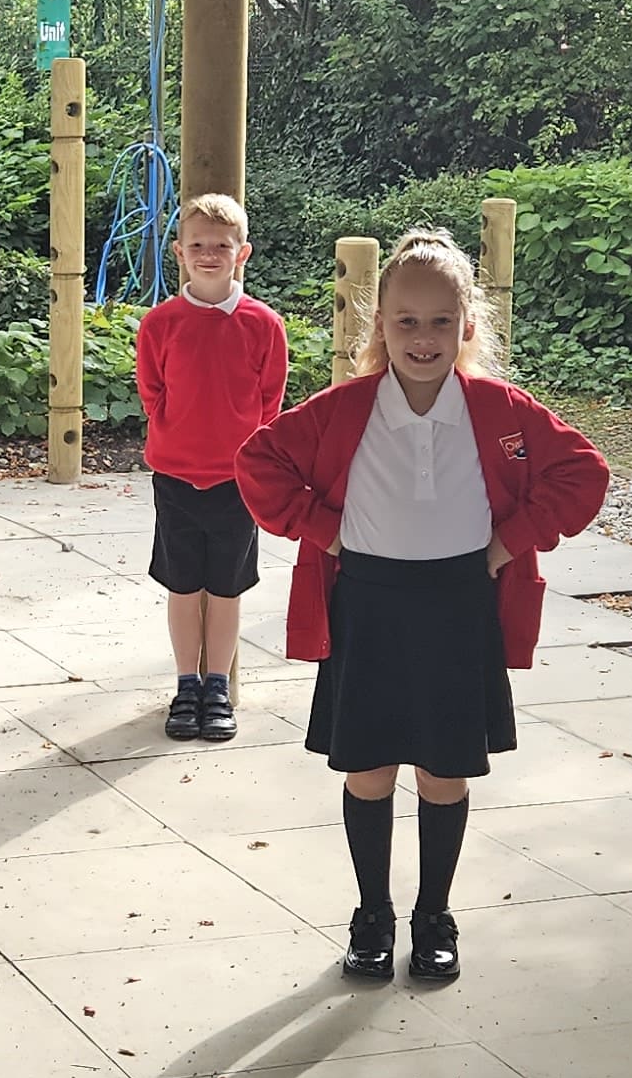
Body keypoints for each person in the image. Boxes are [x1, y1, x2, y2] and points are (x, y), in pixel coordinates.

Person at [238, 229, 609, 985]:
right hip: (368, 606)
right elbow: (259, 461)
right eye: (406, 320)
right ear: (378, 324)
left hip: (457, 608)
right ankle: (371, 915)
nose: (423, 337)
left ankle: (434, 915)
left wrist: (509, 544)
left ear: (468, 325)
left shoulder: (502, 413)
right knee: (368, 770)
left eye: (441, 321)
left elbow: (583, 474)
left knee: (444, 773)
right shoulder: (344, 410)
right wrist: (325, 530)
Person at [133, 191, 292, 743]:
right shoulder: (160, 323)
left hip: (235, 480)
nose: (208, 254)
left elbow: (271, 398)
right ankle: (185, 685)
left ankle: (217, 684)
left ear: (241, 253)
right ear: (178, 251)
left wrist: (243, 447)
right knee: (182, 585)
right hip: (176, 476)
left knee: (226, 588)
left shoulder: (264, 325)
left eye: (220, 245)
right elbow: (152, 391)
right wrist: (177, 429)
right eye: (197, 244)